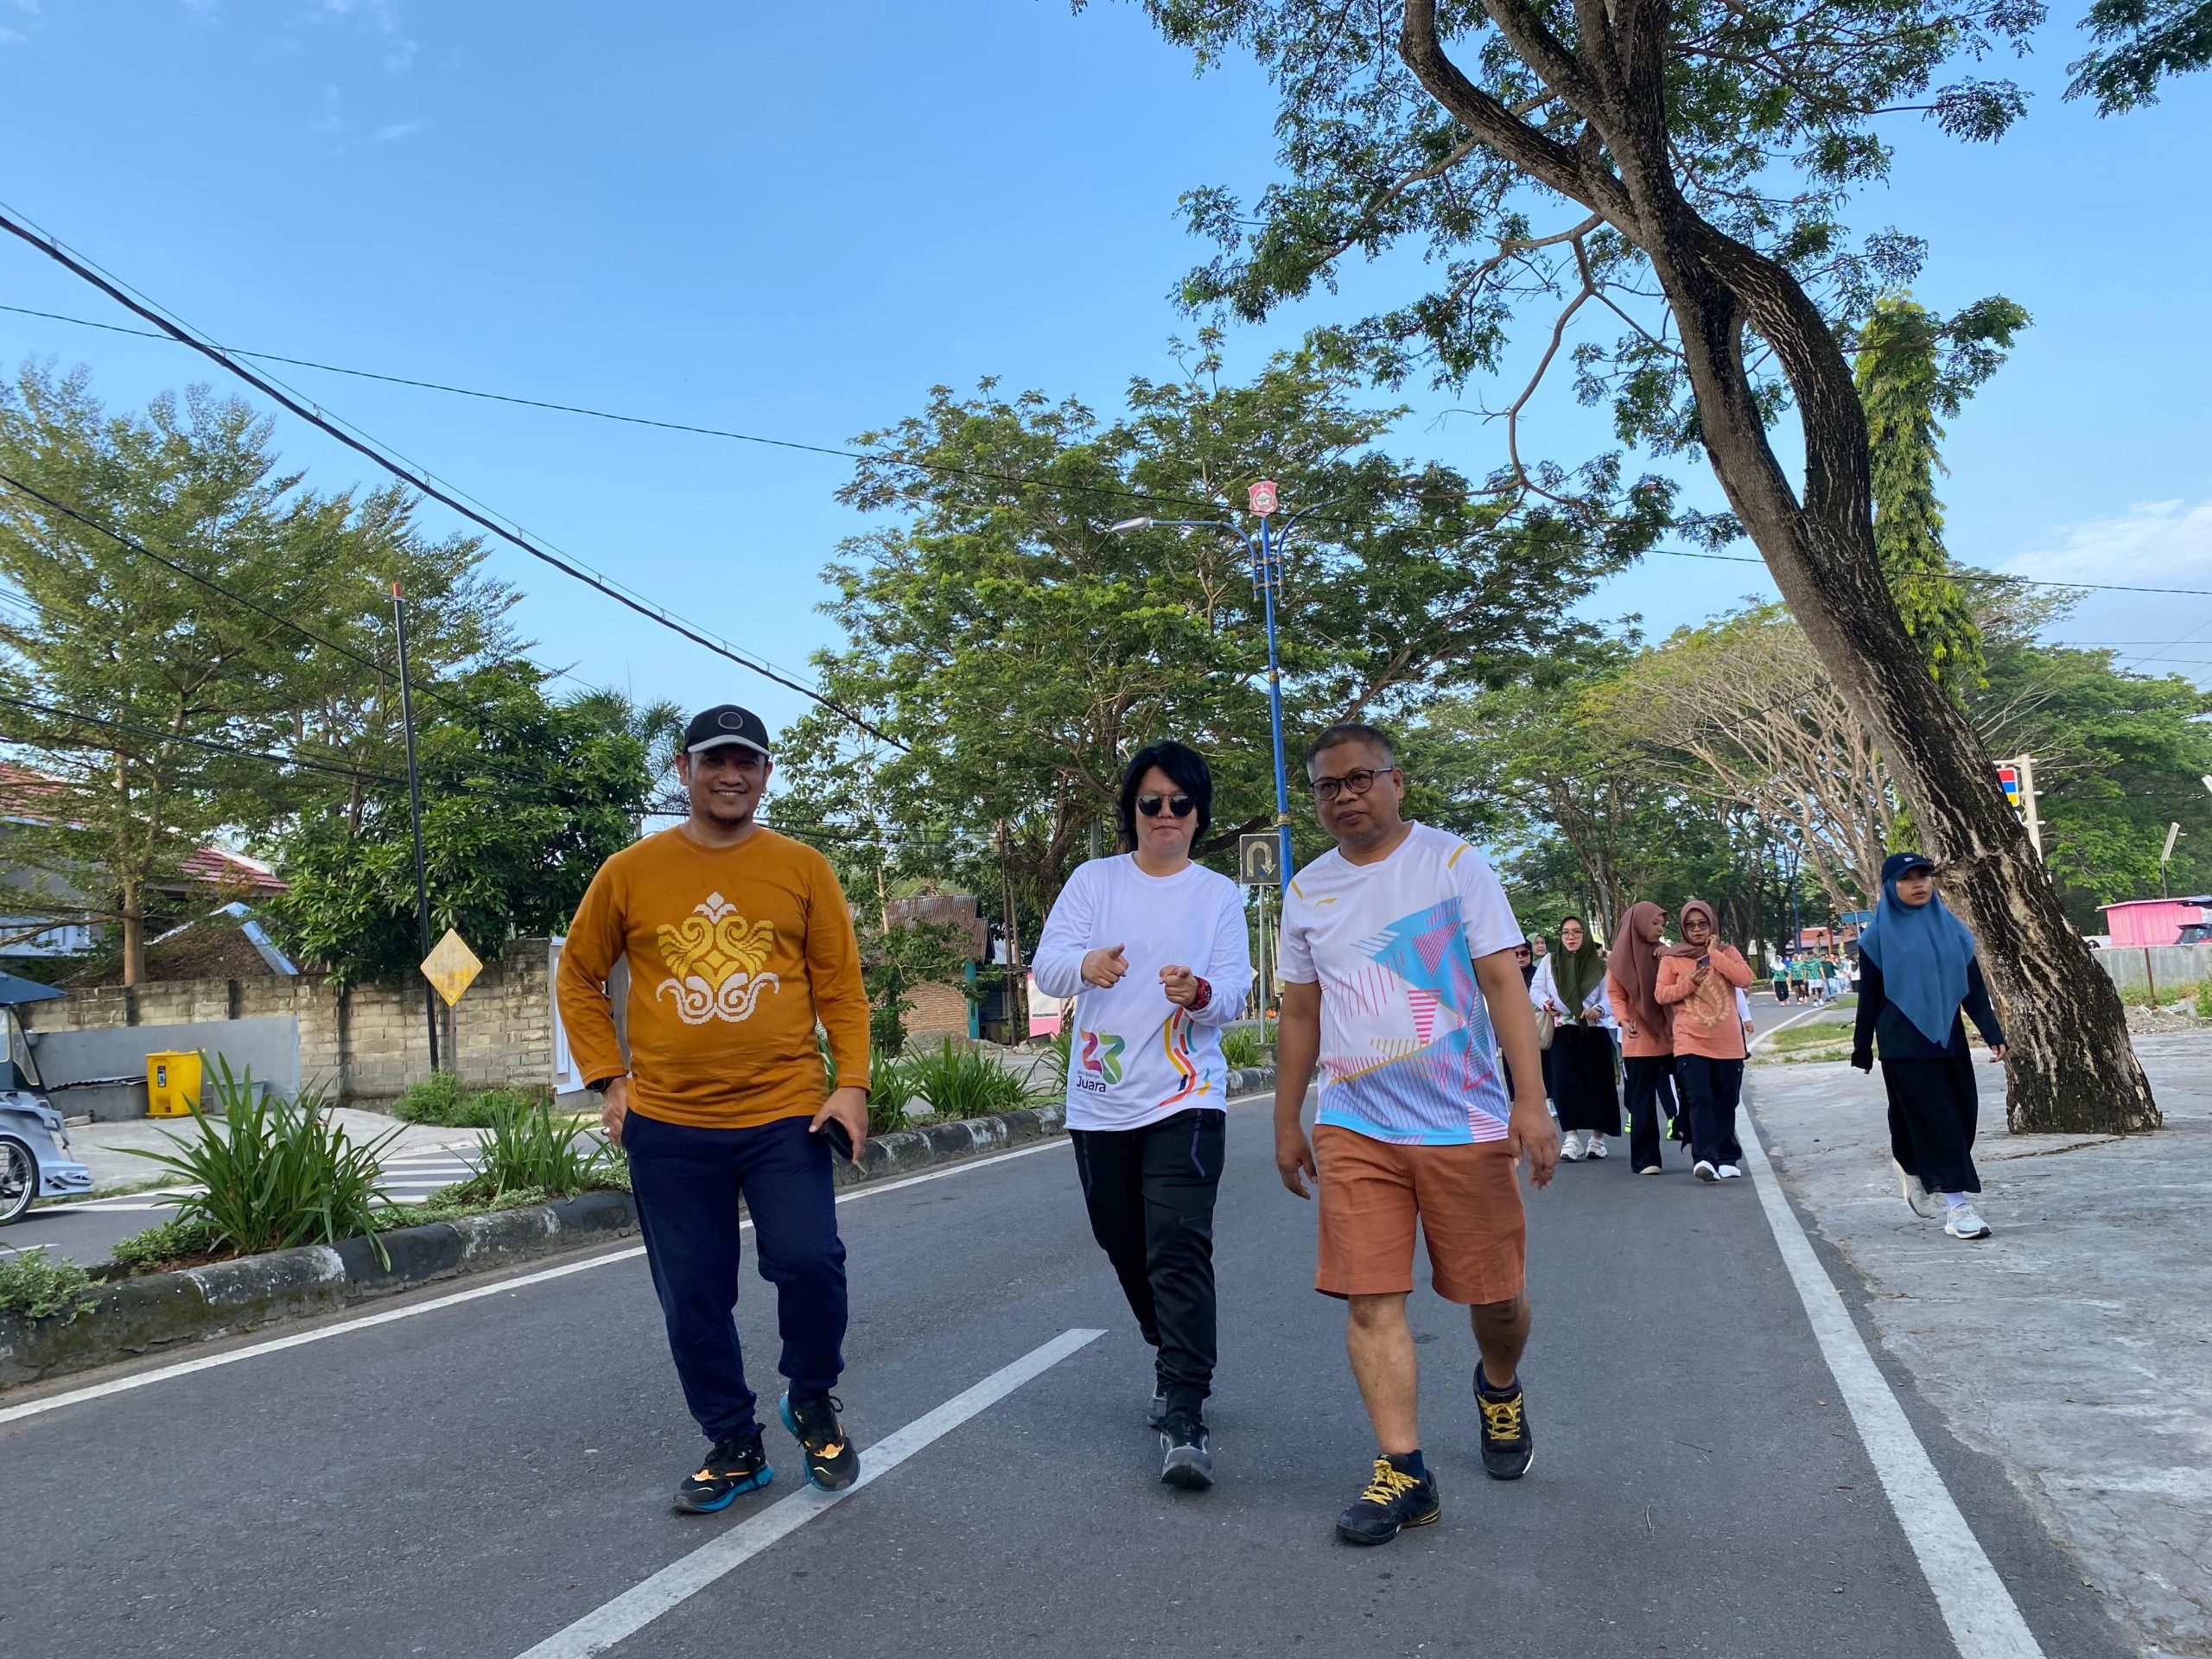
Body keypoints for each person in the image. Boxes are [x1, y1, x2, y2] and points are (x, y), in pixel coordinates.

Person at [556, 703, 873, 1513]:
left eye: (746, 762)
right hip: (669, 1124)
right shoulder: (629, 871)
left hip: (786, 1113)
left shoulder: (803, 868)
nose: (730, 775)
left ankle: (812, 1398)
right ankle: (734, 1443)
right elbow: (579, 974)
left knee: (810, 1262)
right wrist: (609, 1079)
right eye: (714, 761)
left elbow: (840, 987)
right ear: (684, 770)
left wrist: (851, 1083)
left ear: (766, 773)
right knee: (694, 1293)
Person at [1272, 723, 1556, 1548]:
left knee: (1495, 1298)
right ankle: (1405, 1472)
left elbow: (1502, 981)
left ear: (1396, 782)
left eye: (1360, 778)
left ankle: (1498, 1385)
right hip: (1355, 1122)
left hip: (1462, 1119)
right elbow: (1301, 1012)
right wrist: (1287, 1120)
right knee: (1370, 1298)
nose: (1345, 796)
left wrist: (1530, 1102)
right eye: (1328, 786)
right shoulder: (1307, 891)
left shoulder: (1453, 864)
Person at [1030, 741, 1251, 1490]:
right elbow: (1048, 964)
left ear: (1198, 814)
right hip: (1101, 1098)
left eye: (1179, 804)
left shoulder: (1218, 896)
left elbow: (1235, 993)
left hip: (1187, 1095)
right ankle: (1169, 1344)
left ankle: (1185, 1408)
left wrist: (1199, 993)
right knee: (1122, 1240)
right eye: (1150, 802)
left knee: (1177, 1248)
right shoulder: (1094, 882)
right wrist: (1085, 965)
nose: (1165, 814)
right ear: (1131, 811)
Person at [1850, 852, 2007, 1241]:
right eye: (1907, 878)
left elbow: (1972, 988)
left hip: (1947, 1037)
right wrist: (1862, 1046)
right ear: (1890, 887)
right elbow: (1869, 998)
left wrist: (1992, 1033)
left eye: (1923, 876)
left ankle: (1911, 1165)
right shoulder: (1876, 938)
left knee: (1961, 1114)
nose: (1918, 884)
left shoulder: (1952, 930)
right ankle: (1958, 1208)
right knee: (1940, 1121)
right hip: (1903, 1043)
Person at [1656, 899, 1754, 1182]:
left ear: (1712, 925)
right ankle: (1705, 1159)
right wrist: (1690, 983)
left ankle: (1727, 1157)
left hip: (1728, 1044)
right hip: (1690, 1042)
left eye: (1703, 924)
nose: (1697, 930)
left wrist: (1714, 955)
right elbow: (1661, 994)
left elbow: (1745, 979)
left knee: (1726, 1100)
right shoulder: (1672, 958)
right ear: (1682, 929)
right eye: (1690, 925)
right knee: (1700, 1100)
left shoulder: (1728, 952)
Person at [1529, 916, 1620, 1161]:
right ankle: (1571, 1139)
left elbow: (1610, 996)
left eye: (1577, 932)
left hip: (1593, 1031)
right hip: (1564, 1030)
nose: (1571, 937)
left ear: (1586, 935)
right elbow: (1535, 989)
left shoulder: (1600, 966)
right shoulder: (1550, 961)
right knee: (1565, 1085)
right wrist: (1545, 1003)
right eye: (1566, 932)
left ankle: (1597, 1140)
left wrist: (1599, 1009)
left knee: (1598, 1085)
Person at [1607, 900, 1678, 1175]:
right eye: (1655, 923)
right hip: (1638, 1036)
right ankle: (1646, 1160)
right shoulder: (1619, 960)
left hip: (1671, 1033)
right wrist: (1623, 1019)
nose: (1660, 928)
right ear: (1638, 924)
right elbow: (1615, 994)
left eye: (1662, 924)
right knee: (1642, 1101)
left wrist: (1670, 956)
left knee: (1693, 1090)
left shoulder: (1665, 953)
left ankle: (1703, 1149)